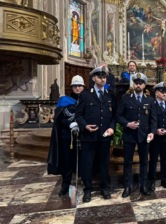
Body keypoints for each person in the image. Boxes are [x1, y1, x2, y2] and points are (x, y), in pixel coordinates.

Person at [75, 66, 116, 203]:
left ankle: (105, 187)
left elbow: (114, 115)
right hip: (89, 137)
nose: (102, 79)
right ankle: (88, 189)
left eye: (104, 77)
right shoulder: (85, 95)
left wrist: (112, 128)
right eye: (99, 76)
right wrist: (85, 126)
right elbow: (78, 115)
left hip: (104, 136)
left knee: (104, 163)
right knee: (88, 164)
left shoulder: (110, 95)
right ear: (93, 78)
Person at [116, 73, 156, 197]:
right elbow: (118, 115)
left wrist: (152, 132)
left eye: (141, 83)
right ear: (134, 84)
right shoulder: (125, 98)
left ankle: (143, 185)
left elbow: (153, 120)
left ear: (144, 85)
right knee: (128, 162)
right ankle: (127, 186)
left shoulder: (149, 100)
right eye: (136, 83)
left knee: (144, 161)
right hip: (129, 135)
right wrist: (127, 124)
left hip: (144, 136)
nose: (138, 85)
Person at [47, 75, 85, 196]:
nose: (77, 88)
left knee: (83, 160)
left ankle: (85, 181)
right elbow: (59, 119)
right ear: (71, 87)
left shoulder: (87, 99)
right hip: (67, 137)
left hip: (83, 135)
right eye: (75, 86)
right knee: (67, 162)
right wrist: (70, 124)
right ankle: (65, 185)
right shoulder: (64, 100)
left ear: (83, 87)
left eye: (80, 86)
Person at [148, 82, 166, 190]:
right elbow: (151, 121)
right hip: (156, 137)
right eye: (162, 92)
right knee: (154, 159)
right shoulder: (152, 105)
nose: (164, 94)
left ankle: (164, 180)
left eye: (165, 92)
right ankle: (151, 181)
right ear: (156, 93)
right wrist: (155, 131)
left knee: (165, 159)